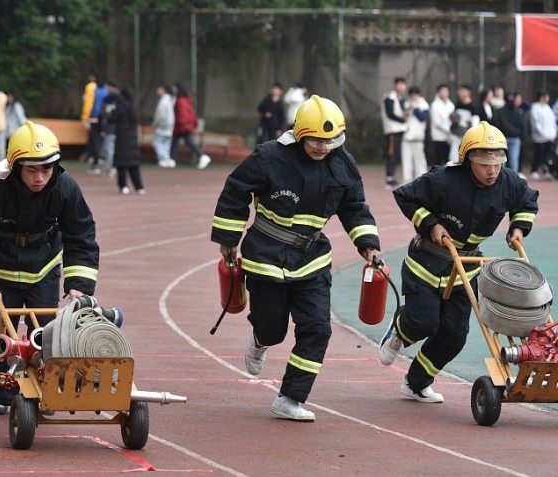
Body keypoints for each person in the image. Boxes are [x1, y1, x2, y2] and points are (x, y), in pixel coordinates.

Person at [211, 95, 381, 421]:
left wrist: (368, 243)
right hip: (266, 254)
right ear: (300, 134)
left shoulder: (343, 163)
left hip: (313, 258)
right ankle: (261, 339)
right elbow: (235, 190)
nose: (322, 146)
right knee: (273, 329)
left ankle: (291, 398)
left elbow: (354, 208)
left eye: (330, 140)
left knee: (318, 328)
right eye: (316, 139)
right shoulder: (270, 157)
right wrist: (228, 239)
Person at [379, 121, 538, 403]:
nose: (492, 170)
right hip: (426, 262)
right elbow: (406, 197)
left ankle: (416, 383)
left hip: (466, 265)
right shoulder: (444, 179)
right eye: (484, 162)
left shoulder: (509, 182)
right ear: (467, 160)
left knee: (454, 335)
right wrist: (431, 225)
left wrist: (518, 228)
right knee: (424, 322)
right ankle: (399, 330)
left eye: (497, 162)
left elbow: (526, 202)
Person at [0, 121, 100, 415]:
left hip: (43, 265)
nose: (40, 178)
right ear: (15, 167)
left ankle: (43, 390)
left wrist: (79, 286)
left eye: (46, 170)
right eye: (32, 170)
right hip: (1, 271)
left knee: (46, 333)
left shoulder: (64, 187)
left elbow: (81, 235)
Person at [110, 87, 145, 195]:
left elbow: (111, 118)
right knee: (134, 163)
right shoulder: (133, 107)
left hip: (122, 137)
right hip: (132, 137)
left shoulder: (120, 106)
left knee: (122, 164)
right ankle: (139, 187)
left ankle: (123, 185)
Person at [170, 82, 211, 169]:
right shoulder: (184, 100)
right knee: (176, 142)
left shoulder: (181, 101)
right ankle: (171, 160)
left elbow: (183, 115)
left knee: (188, 143)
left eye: (175, 88)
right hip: (182, 127)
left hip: (182, 127)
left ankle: (202, 156)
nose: (173, 89)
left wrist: (182, 125)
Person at [381, 76, 408, 187]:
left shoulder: (400, 98)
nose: (402, 87)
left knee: (396, 154)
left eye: (404, 85)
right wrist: (403, 119)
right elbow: (390, 113)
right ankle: (389, 178)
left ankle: (392, 176)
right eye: (400, 84)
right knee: (391, 153)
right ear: (395, 85)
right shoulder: (390, 97)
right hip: (392, 130)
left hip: (400, 130)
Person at [493, 92, 526, 179]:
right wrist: (521, 137)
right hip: (509, 139)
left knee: (504, 161)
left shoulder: (501, 111)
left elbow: (496, 124)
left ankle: (505, 179)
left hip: (506, 138)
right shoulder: (518, 111)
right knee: (512, 161)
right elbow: (523, 126)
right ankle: (512, 179)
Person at [401, 86, 429, 184]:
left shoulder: (423, 104)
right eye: (411, 94)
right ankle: (407, 180)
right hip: (407, 136)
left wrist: (415, 107)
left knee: (420, 159)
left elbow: (422, 118)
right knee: (406, 159)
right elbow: (403, 118)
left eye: (415, 94)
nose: (413, 96)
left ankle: (422, 179)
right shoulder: (406, 104)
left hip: (418, 137)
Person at [528, 91, 557, 180]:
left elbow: (552, 121)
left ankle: (546, 170)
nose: (548, 99)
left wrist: (553, 133)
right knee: (538, 154)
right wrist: (542, 132)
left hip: (550, 136)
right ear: (541, 97)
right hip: (540, 137)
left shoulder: (547, 107)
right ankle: (534, 170)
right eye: (546, 97)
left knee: (547, 155)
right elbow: (535, 122)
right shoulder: (535, 107)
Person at [448, 85, 479, 163]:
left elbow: (475, 122)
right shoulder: (457, 104)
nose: (459, 93)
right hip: (456, 134)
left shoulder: (473, 106)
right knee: (453, 156)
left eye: (462, 91)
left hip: (467, 136)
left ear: (468, 93)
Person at [99, 79, 120, 177]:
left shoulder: (107, 100)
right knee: (115, 148)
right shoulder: (121, 99)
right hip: (119, 129)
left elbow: (104, 116)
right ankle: (115, 166)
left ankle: (111, 167)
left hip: (110, 128)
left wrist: (103, 128)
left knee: (109, 149)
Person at [429, 84, 454, 166]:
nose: (444, 93)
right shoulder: (434, 105)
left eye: (446, 91)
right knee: (439, 159)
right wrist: (448, 129)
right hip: (439, 136)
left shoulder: (451, 104)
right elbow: (437, 122)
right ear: (438, 93)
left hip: (449, 136)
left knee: (448, 159)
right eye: (442, 91)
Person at [152, 83, 176, 168]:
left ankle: (163, 159)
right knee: (166, 144)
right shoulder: (170, 100)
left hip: (163, 125)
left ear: (163, 90)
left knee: (158, 142)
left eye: (159, 89)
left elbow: (160, 115)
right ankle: (167, 158)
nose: (157, 91)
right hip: (169, 125)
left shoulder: (164, 101)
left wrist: (155, 124)